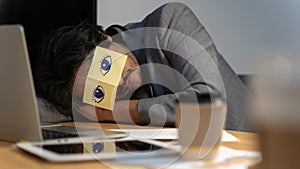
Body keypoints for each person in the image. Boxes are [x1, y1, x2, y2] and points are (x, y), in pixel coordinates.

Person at [36, 3, 252, 131]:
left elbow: (210, 104)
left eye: (105, 67)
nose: (116, 83)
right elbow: (37, 110)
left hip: (251, 150)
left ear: (105, 39)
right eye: (99, 90)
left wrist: (115, 111)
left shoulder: (169, 22)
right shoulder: (91, 101)